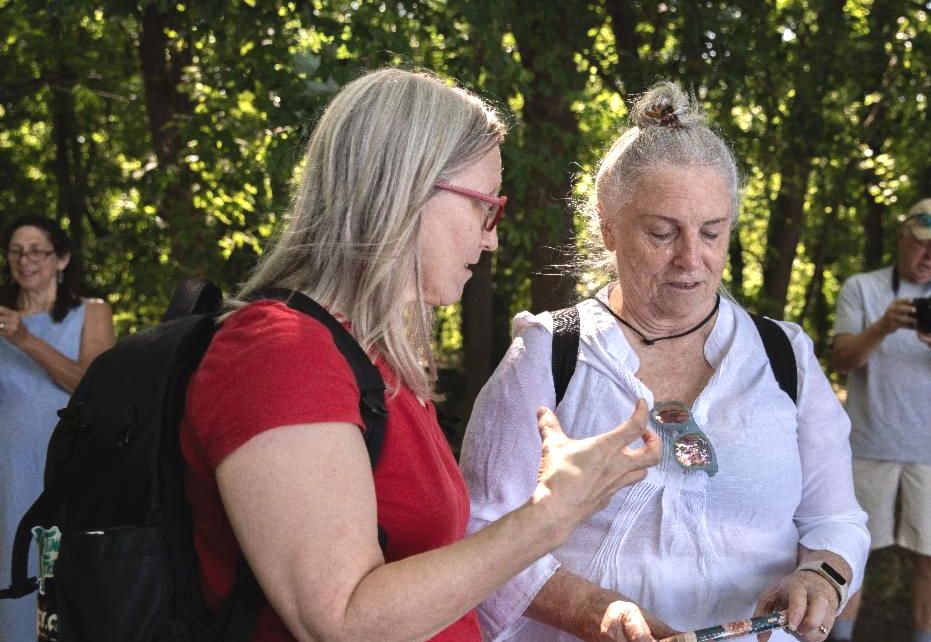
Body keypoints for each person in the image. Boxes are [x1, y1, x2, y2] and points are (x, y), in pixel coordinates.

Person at [179, 68, 662, 642]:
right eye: (487, 207)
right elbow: (341, 622)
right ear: (407, 189)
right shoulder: (278, 353)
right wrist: (548, 518)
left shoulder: (371, 358)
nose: (492, 238)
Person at [461, 82, 870, 642]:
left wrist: (821, 576)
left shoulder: (782, 356)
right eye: (662, 233)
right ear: (609, 226)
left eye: (712, 232)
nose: (691, 259)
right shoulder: (549, 354)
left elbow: (836, 519)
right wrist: (595, 613)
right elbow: (480, 529)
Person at [830, 198, 931, 642]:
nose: (930, 256)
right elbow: (842, 360)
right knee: (852, 550)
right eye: (922, 244)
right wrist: (881, 326)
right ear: (903, 237)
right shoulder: (863, 288)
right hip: (868, 442)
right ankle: (841, 635)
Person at [0, 215, 116, 640]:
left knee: (68, 588)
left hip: (67, 475)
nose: (24, 260)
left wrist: (26, 340)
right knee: (12, 581)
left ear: (62, 258)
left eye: (36, 250)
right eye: (15, 251)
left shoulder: (93, 312)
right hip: (7, 477)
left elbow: (92, 385)